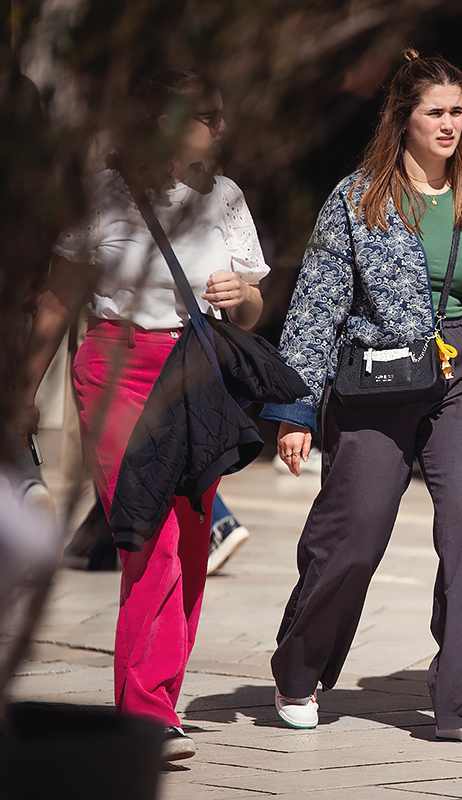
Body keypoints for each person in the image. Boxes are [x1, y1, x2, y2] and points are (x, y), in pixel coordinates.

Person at [260, 51, 462, 746]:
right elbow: (316, 306)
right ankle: (299, 668)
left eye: (457, 112)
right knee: (354, 532)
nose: (448, 125)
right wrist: (295, 408)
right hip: (376, 377)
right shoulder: (357, 200)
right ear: (404, 118)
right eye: (435, 112)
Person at [16, 68, 268, 761]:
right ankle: (146, 713)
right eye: (209, 116)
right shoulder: (101, 196)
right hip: (116, 369)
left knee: (192, 540)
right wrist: (21, 395)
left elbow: (251, 309)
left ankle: (157, 699)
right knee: (148, 533)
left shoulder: (224, 197)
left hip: (196, 373)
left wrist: (241, 295)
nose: (222, 128)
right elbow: (57, 301)